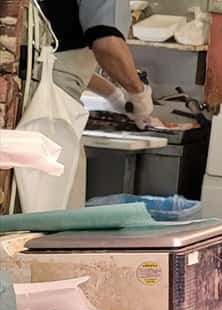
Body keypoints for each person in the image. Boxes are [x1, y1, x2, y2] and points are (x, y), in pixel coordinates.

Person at [40, 0, 153, 208]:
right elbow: (108, 45)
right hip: (47, 111)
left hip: (22, 95)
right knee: (54, 210)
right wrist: (139, 93)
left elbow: (55, 55)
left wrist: (113, 95)